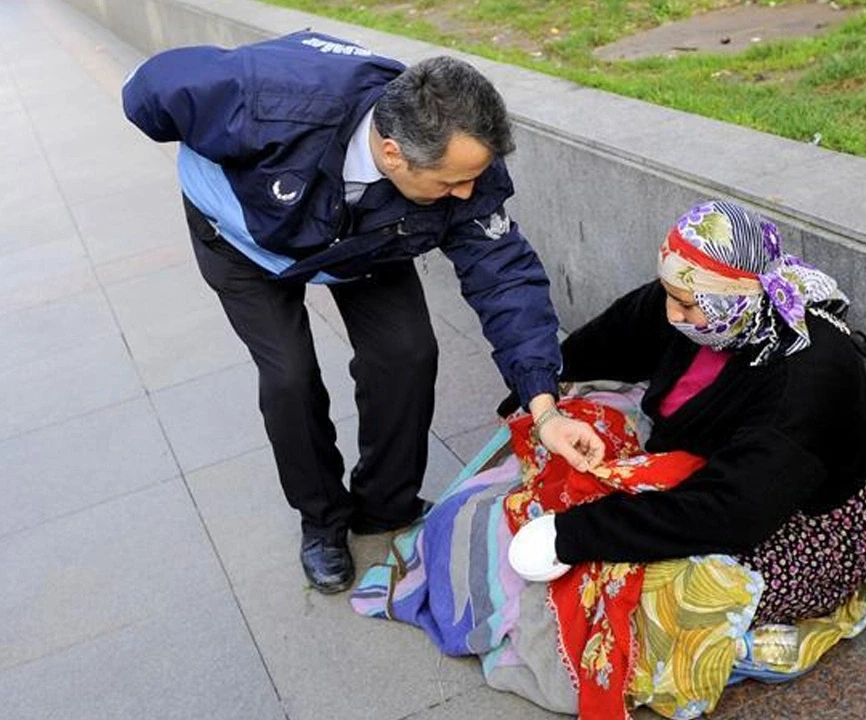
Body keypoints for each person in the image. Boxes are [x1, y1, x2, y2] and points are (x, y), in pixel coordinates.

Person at [352, 200, 866, 719]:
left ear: (733, 300)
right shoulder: (705, 301)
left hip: (801, 525)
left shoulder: (805, 381)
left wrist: (574, 534)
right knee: (561, 438)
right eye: (670, 294)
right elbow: (619, 332)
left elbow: (730, 513)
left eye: (684, 303)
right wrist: (541, 397)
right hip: (724, 469)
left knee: (657, 595)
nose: (670, 311)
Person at [121, 32, 603, 594]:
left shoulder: (463, 169)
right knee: (289, 375)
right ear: (394, 153)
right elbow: (147, 89)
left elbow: (506, 281)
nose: (469, 192)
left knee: (407, 352)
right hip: (245, 242)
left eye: (474, 176)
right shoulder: (265, 101)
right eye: (452, 182)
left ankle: (385, 504)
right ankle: (322, 522)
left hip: (365, 244)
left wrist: (545, 410)